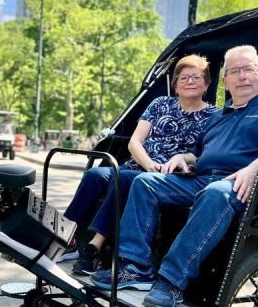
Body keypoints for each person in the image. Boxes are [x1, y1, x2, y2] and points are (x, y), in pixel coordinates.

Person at [91, 44, 258, 307]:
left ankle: (171, 283)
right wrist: (184, 158)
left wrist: (253, 168)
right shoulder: (218, 116)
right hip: (200, 179)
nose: (243, 76)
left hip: (240, 185)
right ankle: (135, 268)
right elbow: (200, 155)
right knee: (144, 183)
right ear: (225, 81)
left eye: (249, 69)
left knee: (215, 192)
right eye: (235, 71)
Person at [61, 55, 218, 275]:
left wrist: (162, 168)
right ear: (175, 84)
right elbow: (135, 142)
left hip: (167, 177)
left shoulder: (214, 116)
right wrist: (149, 164)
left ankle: (94, 246)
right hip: (140, 163)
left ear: (207, 84)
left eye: (196, 77)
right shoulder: (160, 103)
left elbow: (205, 155)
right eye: (183, 78)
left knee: (124, 179)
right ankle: (64, 236)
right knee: (95, 174)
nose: (189, 81)